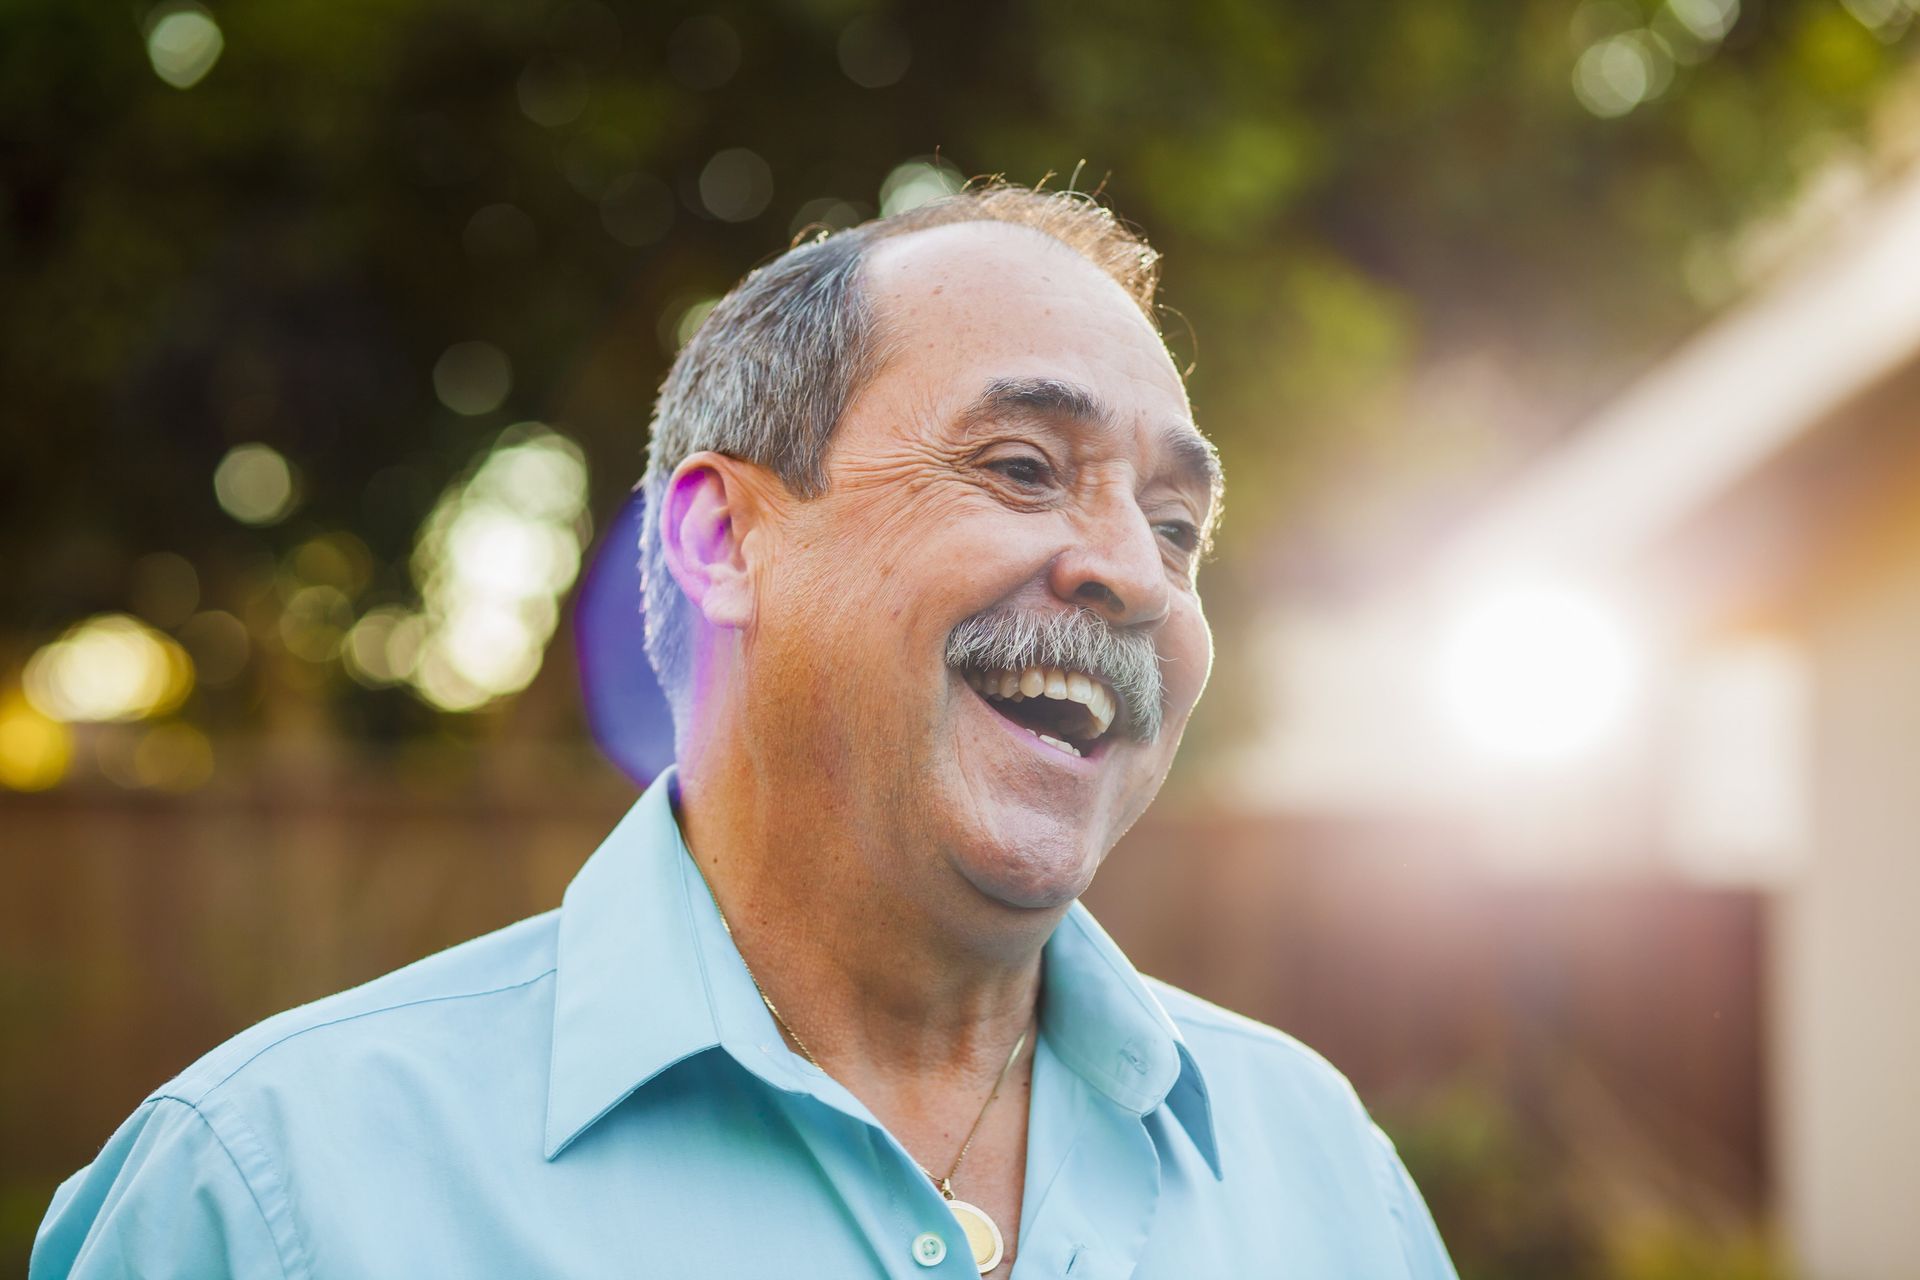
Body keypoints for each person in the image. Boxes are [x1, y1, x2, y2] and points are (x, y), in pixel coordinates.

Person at [31, 185, 1456, 1278]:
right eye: (1024, 467)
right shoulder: (271, 1191)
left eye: (1178, 526)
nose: (1138, 575)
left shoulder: (1329, 1179)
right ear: (723, 539)